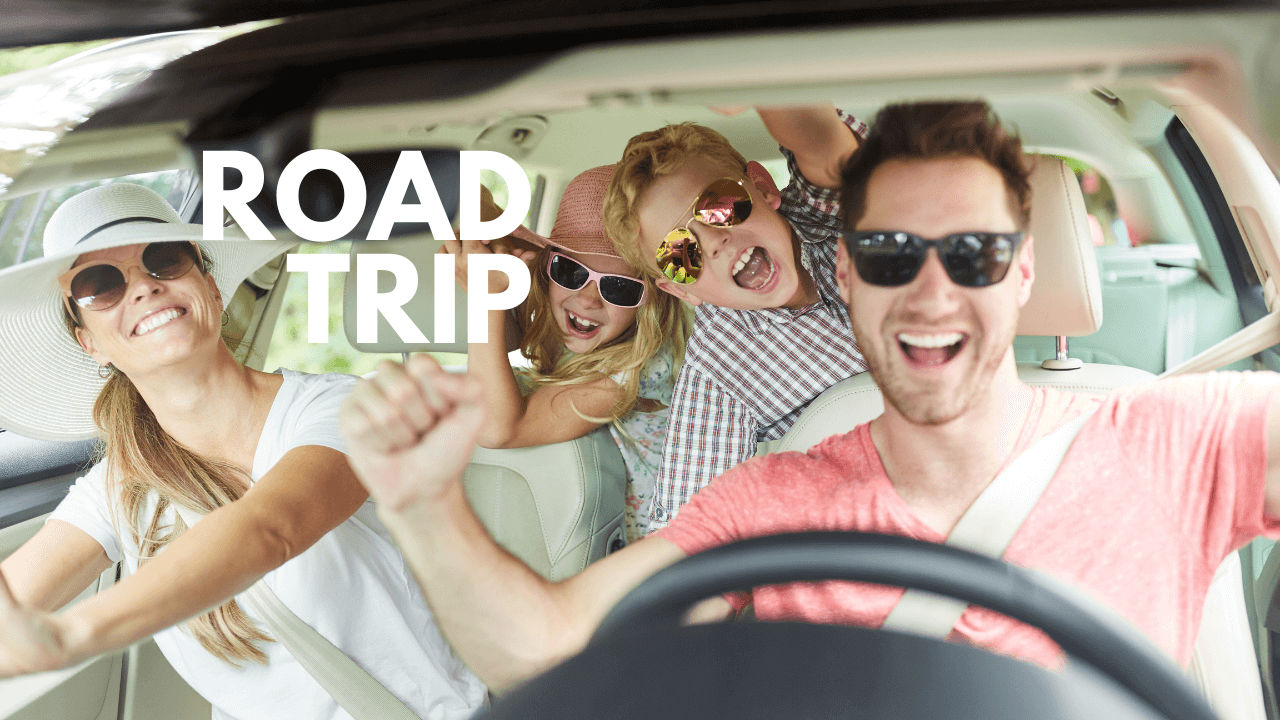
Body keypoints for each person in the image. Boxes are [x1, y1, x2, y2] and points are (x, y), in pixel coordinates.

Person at [337, 99, 1280, 693]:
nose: (929, 289)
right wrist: (423, 506)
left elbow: (822, 147)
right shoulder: (768, 496)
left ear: (1025, 269)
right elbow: (552, 647)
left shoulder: (1174, 437)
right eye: (891, 253)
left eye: (971, 251)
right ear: (852, 271)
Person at [0, 184, 486, 719]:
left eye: (165, 259)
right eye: (100, 285)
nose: (144, 287)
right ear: (89, 341)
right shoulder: (116, 488)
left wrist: (72, 633)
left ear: (210, 287)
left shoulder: (339, 409)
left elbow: (271, 529)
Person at [601, 107, 869, 529]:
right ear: (682, 291)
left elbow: (823, 145)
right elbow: (690, 532)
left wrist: (767, 85)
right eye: (679, 254)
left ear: (762, 187)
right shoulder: (718, 371)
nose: (714, 242)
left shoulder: (825, 214)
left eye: (719, 205)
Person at [441, 166, 691, 541]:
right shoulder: (576, 332)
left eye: (619, 288)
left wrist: (485, 298)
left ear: (650, 301)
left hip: (665, 563)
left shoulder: (639, 371)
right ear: (547, 269)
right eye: (571, 271)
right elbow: (465, 192)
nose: (588, 299)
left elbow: (496, 430)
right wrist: (494, 238)